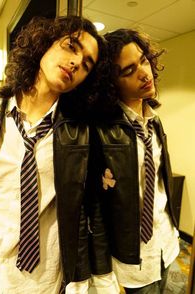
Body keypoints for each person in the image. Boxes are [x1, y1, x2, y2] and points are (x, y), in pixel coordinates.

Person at [0, 15, 116, 294]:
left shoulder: (80, 134)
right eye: (71, 46)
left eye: (87, 64)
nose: (77, 62)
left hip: (37, 280)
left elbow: (86, 211)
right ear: (44, 43)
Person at [94, 28, 180, 293]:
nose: (144, 73)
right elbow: (95, 207)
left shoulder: (155, 121)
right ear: (112, 82)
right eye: (128, 71)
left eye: (143, 60)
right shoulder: (101, 130)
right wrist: (101, 269)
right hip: (133, 259)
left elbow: (159, 184)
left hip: (168, 243)